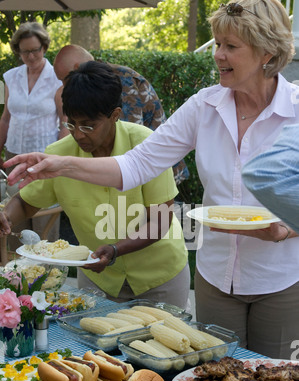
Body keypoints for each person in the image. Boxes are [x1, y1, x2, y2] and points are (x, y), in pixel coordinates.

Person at [4, 0, 299, 359]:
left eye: (230, 46)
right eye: (217, 43)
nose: (218, 55)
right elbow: (135, 165)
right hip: (215, 277)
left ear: (268, 51)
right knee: (219, 378)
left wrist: (286, 229)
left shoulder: (295, 112)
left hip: (281, 278)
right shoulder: (203, 107)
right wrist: (60, 163)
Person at [1, 61, 190, 309]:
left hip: (159, 277)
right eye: (71, 124)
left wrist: (115, 249)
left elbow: (160, 220)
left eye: (88, 125)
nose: (79, 134)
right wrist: (6, 217)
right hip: (98, 279)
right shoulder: (58, 155)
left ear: (115, 115)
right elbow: (26, 203)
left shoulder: (145, 145)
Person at [53, 44, 189, 185]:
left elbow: (128, 142)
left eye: (65, 79)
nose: (65, 86)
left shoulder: (120, 81)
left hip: (155, 171)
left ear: (77, 69)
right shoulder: (103, 78)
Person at [0, 22, 68, 244]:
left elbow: (64, 121)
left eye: (35, 50)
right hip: (13, 157)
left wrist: (59, 157)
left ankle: (48, 272)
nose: (31, 56)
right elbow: (6, 118)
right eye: (25, 51)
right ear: (18, 52)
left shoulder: (56, 79)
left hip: (43, 159)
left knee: (43, 226)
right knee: (12, 222)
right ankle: (15, 273)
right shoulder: (11, 77)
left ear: (44, 47)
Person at [242, 123, 299, 234]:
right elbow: (199, 201)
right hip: (211, 247)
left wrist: (286, 232)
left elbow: (262, 175)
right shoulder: (202, 108)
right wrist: (196, 240)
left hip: (285, 249)